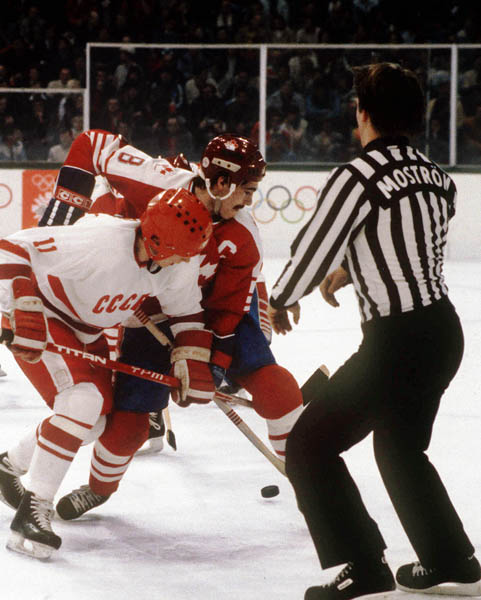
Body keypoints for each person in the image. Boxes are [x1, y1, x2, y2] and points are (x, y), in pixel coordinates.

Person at [267, 62, 481, 599]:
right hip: (441, 333)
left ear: (362, 113)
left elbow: (310, 250)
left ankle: (364, 566)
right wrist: (353, 268)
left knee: (310, 446)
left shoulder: (357, 176)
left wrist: (281, 299)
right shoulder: (438, 177)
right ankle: (449, 556)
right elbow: (411, 239)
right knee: (401, 446)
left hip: (396, 342)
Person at [16, 130, 303, 520]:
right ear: (220, 183)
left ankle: (309, 481)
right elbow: (92, 145)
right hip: (150, 313)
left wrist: (211, 364)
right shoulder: (159, 184)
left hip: (205, 316)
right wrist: (62, 217)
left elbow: (230, 308)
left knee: (277, 388)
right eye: (247, 190)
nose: (250, 201)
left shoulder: (242, 235)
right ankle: (98, 490)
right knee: (126, 430)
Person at [0, 189, 215, 559]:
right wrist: (20, 300)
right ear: (160, 243)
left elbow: (186, 314)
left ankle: (10, 465)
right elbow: (11, 247)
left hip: (88, 331)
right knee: (83, 402)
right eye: (186, 248)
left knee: (95, 422)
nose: (190, 258)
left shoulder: (176, 264)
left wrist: (191, 359)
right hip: (46, 315)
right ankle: (34, 510)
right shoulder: (100, 239)